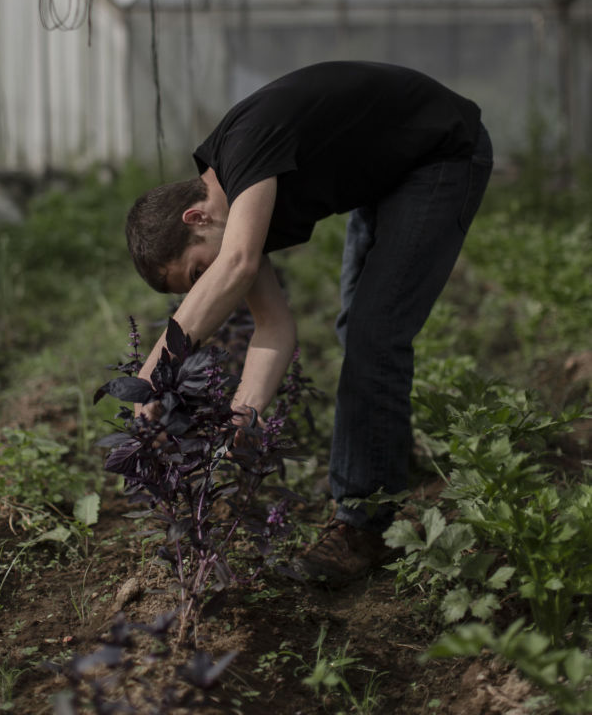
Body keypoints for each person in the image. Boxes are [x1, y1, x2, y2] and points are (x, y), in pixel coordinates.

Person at [124, 61, 493, 584]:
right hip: (391, 173)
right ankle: (382, 458)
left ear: (196, 218)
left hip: (441, 155)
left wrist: (152, 374)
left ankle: (364, 526)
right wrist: (244, 415)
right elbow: (274, 327)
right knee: (358, 330)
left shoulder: (245, 152)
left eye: (197, 272)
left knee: (375, 335)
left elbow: (236, 266)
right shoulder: (236, 206)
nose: (209, 288)